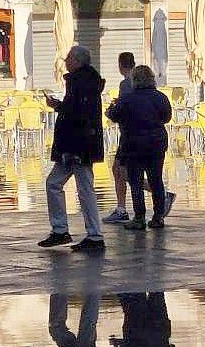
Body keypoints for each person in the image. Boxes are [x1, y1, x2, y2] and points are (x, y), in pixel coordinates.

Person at [39, 46, 106, 252]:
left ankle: (94, 235)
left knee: (84, 188)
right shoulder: (83, 81)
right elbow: (76, 110)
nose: (65, 61)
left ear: (77, 61)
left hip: (78, 147)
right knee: (55, 183)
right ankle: (61, 230)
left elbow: (79, 115)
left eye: (68, 58)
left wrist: (74, 148)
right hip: (75, 146)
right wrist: (59, 106)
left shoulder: (81, 83)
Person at [106, 66, 172, 230]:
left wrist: (109, 111)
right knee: (156, 180)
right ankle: (158, 217)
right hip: (157, 143)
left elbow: (114, 116)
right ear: (152, 79)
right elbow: (167, 117)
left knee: (135, 182)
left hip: (133, 144)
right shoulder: (161, 97)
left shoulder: (127, 99)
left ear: (134, 81)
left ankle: (139, 218)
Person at [102, 52, 136, 224]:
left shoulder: (126, 83)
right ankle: (159, 193)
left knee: (121, 170)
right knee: (121, 170)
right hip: (139, 134)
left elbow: (124, 109)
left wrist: (112, 110)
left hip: (128, 135)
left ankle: (122, 209)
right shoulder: (140, 82)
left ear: (120, 64)